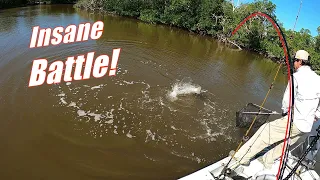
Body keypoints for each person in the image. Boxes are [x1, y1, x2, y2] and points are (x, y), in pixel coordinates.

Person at [233, 50, 320, 169]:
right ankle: (267, 160)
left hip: (296, 122)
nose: (294, 63)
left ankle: (241, 157)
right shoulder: (318, 78)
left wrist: (285, 112)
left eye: (295, 60)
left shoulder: (296, 77)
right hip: (306, 127)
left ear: (300, 62)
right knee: (286, 144)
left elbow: (287, 100)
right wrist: (317, 115)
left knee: (266, 130)